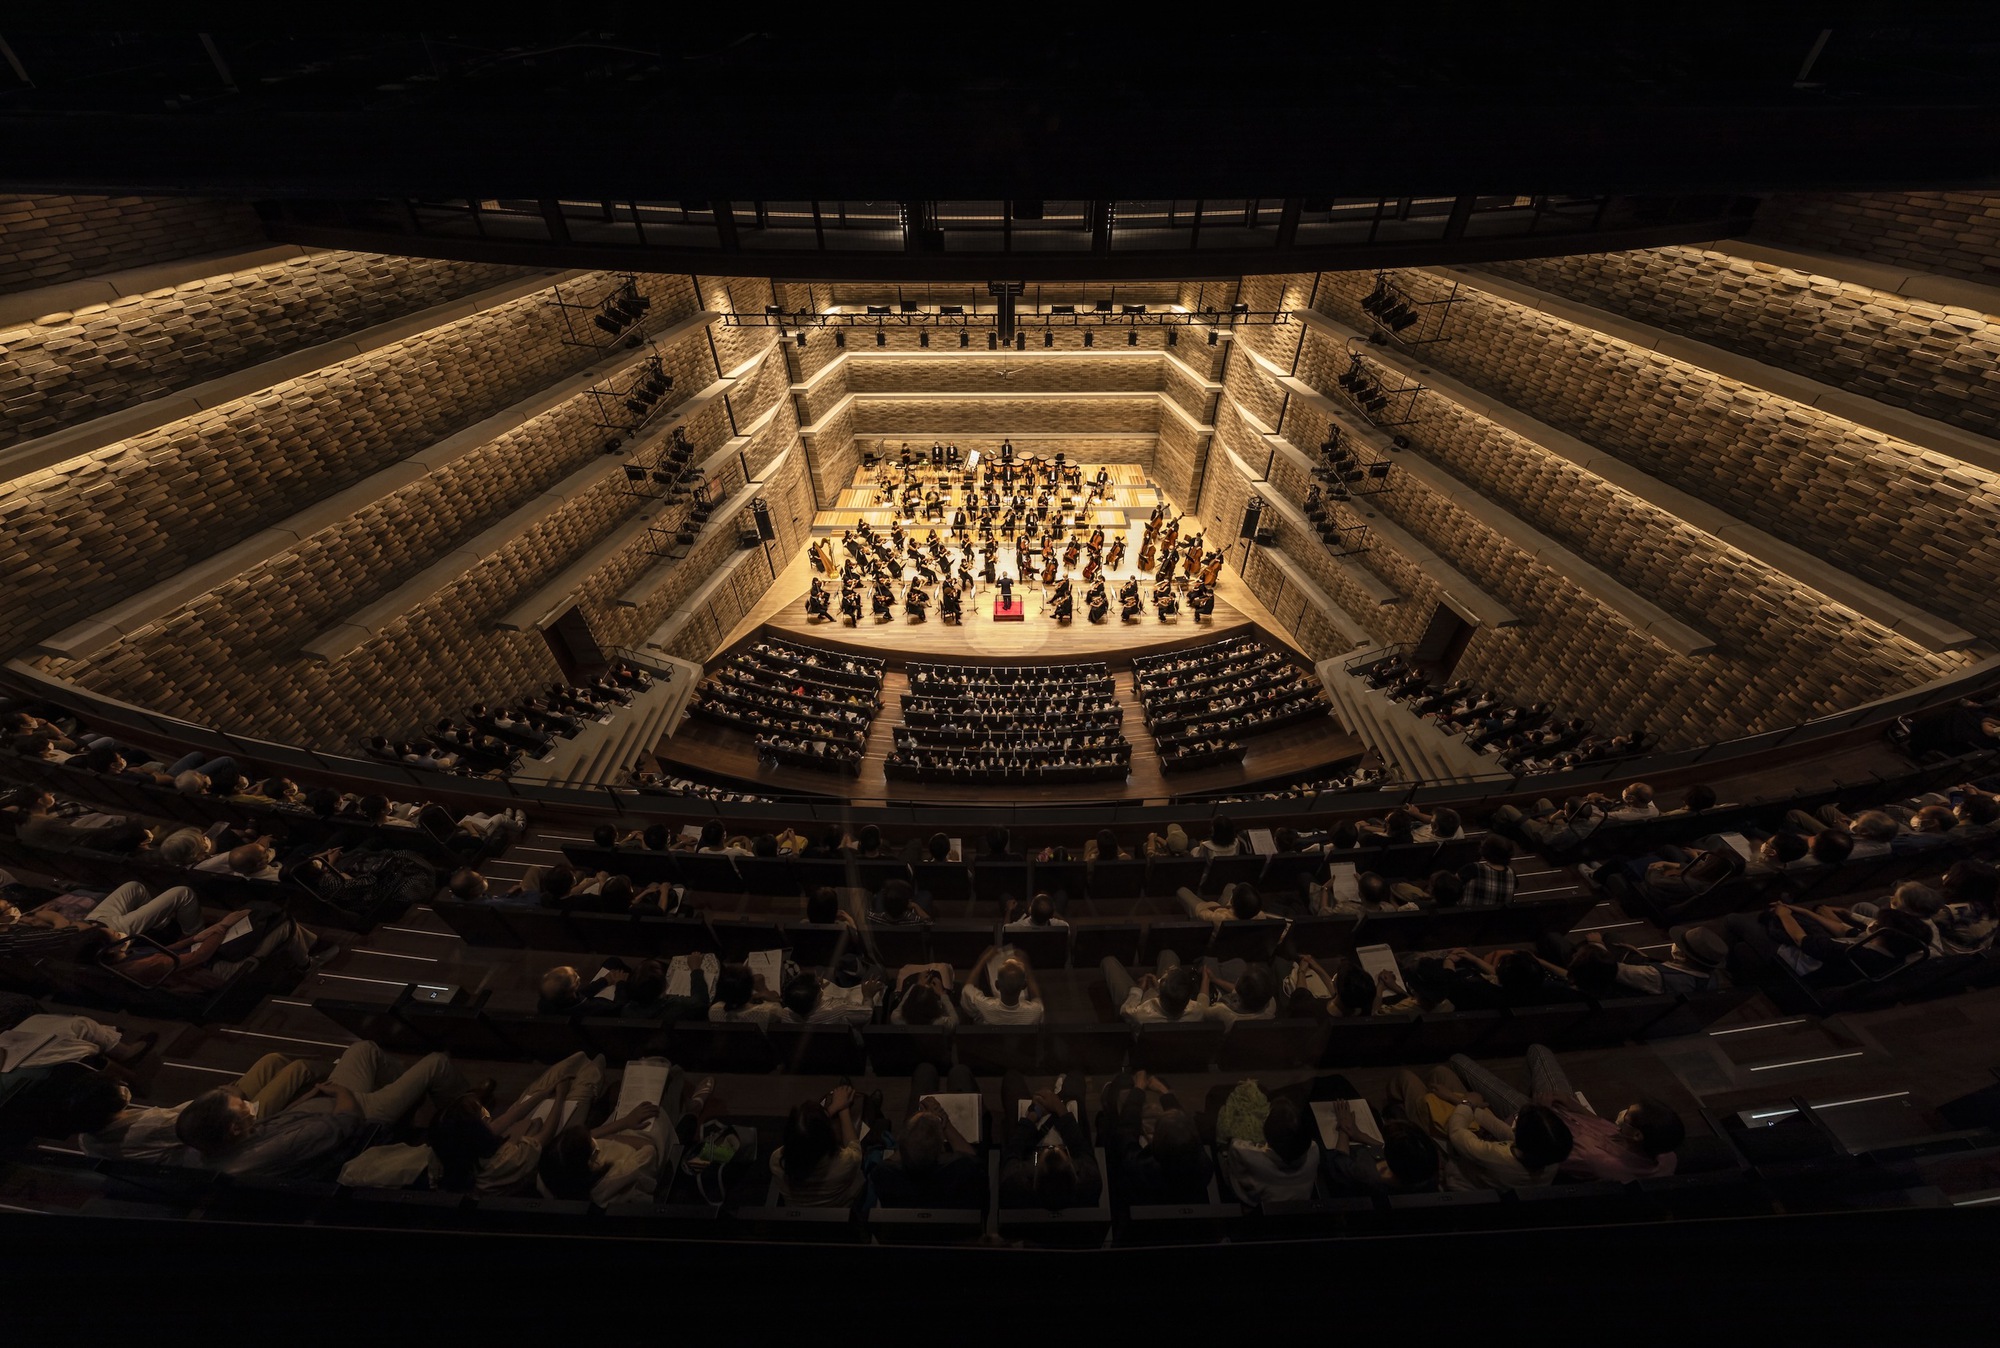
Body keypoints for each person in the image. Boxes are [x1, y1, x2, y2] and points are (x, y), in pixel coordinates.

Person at [176, 1040, 474, 1179]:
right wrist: (341, 1093)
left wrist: (306, 1099)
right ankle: (468, 1113)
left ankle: (410, 1094)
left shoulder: (218, 1146)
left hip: (323, 1104)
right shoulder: (274, 1149)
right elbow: (347, 1122)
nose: (245, 1102)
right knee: (437, 1061)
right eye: (239, 1106)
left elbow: (284, 1119)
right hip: (358, 1116)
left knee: (363, 1049)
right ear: (233, 1128)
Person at [1435, 1047, 1682, 1183]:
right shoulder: (1666, 1155)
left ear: (1637, 1134)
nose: (1623, 1113)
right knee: (1539, 1051)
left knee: (1459, 1060)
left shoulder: (1598, 1162)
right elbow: (1602, 1125)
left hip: (1531, 1120)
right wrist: (1575, 1106)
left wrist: (1535, 1112)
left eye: (1628, 1115)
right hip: (1566, 1109)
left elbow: (1539, 1145)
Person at [431, 1051, 606, 1195]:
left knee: (560, 1072)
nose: (486, 1114)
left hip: (520, 1139)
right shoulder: (503, 1161)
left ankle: (587, 1059)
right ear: (476, 1131)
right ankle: (597, 1063)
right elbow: (545, 1134)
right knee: (586, 1080)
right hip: (541, 1155)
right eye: (481, 1115)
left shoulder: (458, 1147)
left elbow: (500, 1122)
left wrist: (544, 1093)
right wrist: (560, 1095)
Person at [1385, 1061, 1574, 1190]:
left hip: (1452, 1158)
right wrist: (1464, 1102)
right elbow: (1505, 1132)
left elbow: (1457, 1132)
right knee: (1440, 1073)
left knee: (1406, 1077)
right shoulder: (1548, 1160)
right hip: (1476, 1153)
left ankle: (1397, 1108)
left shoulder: (1495, 1157)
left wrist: (1467, 1103)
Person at [871, 1064, 988, 1209]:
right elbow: (973, 1159)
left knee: (924, 1071)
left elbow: (890, 1160)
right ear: (941, 1149)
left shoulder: (884, 1175)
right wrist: (944, 1122)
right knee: (959, 1073)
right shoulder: (960, 1169)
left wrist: (915, 1127)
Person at [1104, 1071, 1212, 1204]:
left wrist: (1137, 1091)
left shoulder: (1144, 1169)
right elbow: (1185, 1130)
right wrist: (1165, 1093)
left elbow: (1126, 1132)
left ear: (1157, 1144)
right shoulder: (1203, 1167)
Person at [1217, 1092, 1320, 1205]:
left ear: (1267, 1132)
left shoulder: (1245, 1153)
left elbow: (1234, 1143)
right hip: (1295, 1207)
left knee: (1222, 1149)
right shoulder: (1314, 1151)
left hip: (1255, 1206)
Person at [771, 1087, 866, 1207]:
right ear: (828, 1137)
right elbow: (854, 1146)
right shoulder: (845, 1162)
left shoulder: (777, 1160)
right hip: (840, 1211)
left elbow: (807, 1135)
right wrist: (844, 1109)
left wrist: (833, 1107)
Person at [961, 946, 1046, 1024]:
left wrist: (982, 959)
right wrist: (1026, 966)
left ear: (997, 985)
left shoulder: (984, 1007)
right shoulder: (1035, 1012)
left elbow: (967, 988)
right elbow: (1037, 998)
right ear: (1024, 985)